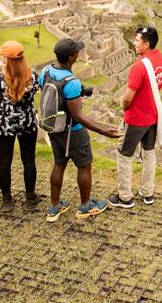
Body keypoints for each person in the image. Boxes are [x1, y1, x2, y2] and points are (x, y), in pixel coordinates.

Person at [40, 37, 120, 221]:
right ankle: (85, 207)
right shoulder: (71, 81)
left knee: (59, 164)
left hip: (54, 127)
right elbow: (78, 115)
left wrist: (80, 92)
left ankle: (54, 207)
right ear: (71, 57)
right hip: (73, 131)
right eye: (77, 51)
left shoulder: (45, 71)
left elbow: (50, 94)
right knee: (84, 165)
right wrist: (103, 131)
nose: (79, 53)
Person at [109, 25, 162, 209]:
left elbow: (128, 97)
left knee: (124, 154)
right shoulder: (161, 60)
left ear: (146, 44)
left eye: (137, 41)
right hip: (153, 116)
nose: (134, 43)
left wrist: (123, 106)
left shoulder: (139, 66)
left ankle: (125, 197)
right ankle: (147, 192)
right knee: (149, 154)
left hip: (136, 119)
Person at [0, 40, 42, 207]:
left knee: (4, 161)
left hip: (5, 123)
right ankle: (30, 196)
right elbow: (32, 94)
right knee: (29, 160)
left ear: (6, 59)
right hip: (27, 122)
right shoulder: (32, 77)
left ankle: (7, 198)